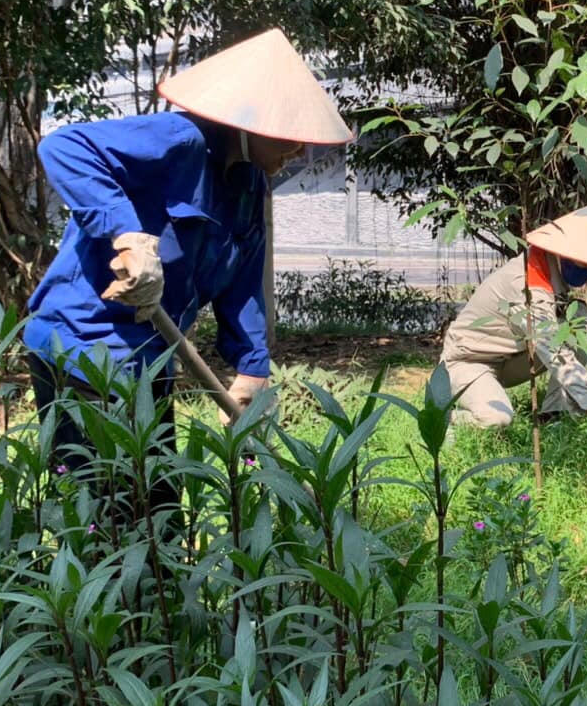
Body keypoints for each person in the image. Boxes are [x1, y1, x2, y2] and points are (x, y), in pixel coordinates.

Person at [25, 28, 353, 514]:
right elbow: (65, 148)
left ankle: (164, 590)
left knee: (159, 511)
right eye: (288, 136)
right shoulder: (179, 140)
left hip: (151, 356)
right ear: (251, 121)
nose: (299, 153)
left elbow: (244, 286)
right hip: (81, 351)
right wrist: (127, 235)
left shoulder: (248, 187)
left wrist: (252, 367)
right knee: (101, 514)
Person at [436, 205, 587, 448]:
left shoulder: (547, 267)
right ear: (563, 252)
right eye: (584, 262)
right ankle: (443, 419)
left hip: (508, 359)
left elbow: (557, 337)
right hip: (468, 361)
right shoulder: (527, 282)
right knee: (497, 419)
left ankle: (553, 415)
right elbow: (552, 350)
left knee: (579, 326)